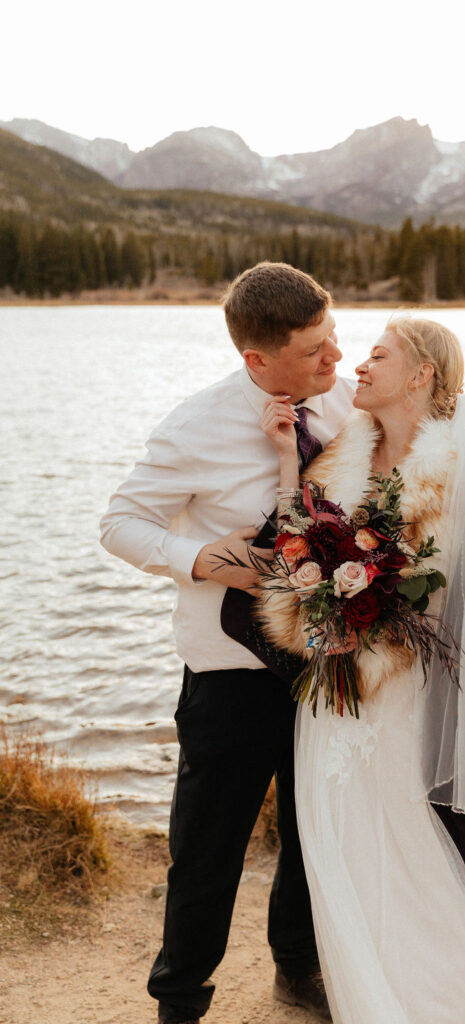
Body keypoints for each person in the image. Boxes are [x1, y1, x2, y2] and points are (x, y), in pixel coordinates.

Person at [256, 317, 465, 1023]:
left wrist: (376, 620)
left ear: (421, 375)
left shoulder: (464, 463)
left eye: (377, 356)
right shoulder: (342, 452)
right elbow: (298, 542)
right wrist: (287, 465)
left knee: (416, 861)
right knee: (343, 854)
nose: (357, 366)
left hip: (411, 696)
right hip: (336, 696)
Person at [100, 262, 355, 1024]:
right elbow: (120, 524)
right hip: (232, 672)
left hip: (326, 663)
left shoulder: (340, 399)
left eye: (333, 339)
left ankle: (296, 967)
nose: (334, 361)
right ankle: (180, 1002)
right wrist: (204, 560)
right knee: (207, 852)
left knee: (316, 833)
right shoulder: (194, 427)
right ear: (257, 359)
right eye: (315, 350)